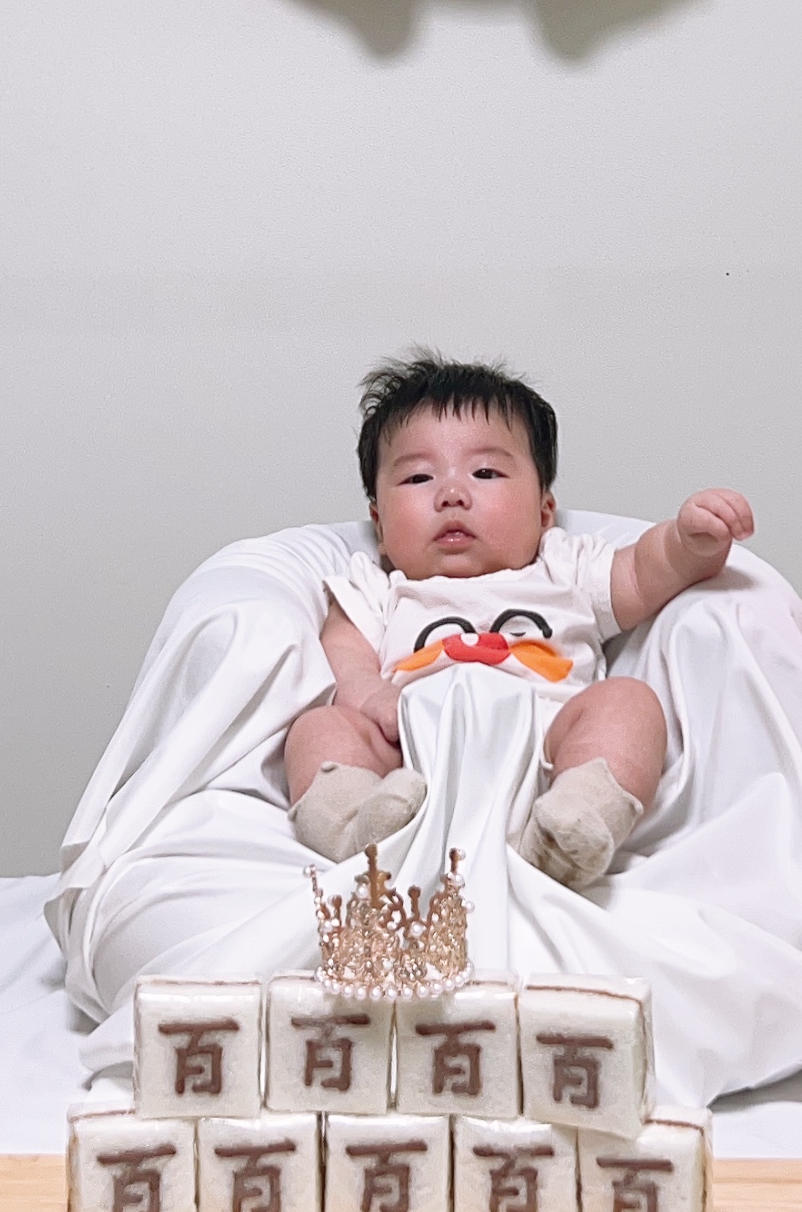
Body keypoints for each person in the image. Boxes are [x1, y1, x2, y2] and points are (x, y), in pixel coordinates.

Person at [286, 353, 748, 889]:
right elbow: (344, 650)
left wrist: (688, 542)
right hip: (408, 762)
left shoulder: (563, 567)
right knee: (317, 729)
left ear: (544, 511)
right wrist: (371, 699)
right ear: (379, 524)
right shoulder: (381, 586)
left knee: (629, 702)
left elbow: (644, 574)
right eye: (417, 477)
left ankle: (579, 821)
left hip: (547, 758)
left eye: (485, 473)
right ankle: (359, 832)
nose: (451, 494)